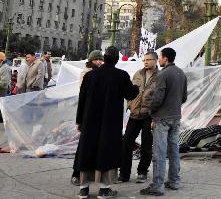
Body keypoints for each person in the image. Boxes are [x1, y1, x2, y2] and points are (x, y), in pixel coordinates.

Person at [75, 46, 139, 199]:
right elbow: (130, 93)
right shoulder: (121, 75)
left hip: (90, 121)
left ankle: (83, 189)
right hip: (110, 122)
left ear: (104, 57)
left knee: (88, 150)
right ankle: (104, 189)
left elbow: (82, 100)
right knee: (107, 151)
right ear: (117, 59)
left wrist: (79, 121)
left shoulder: (90, 76)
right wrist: (136, 86)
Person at [140, 47, 187, 196]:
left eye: (160, 57)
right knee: (174, 150)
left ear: (165, 58)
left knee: (159, 152)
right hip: (176, 117)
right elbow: (184, 97)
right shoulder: (181, 73)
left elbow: (157, 98)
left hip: (162, 119)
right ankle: (174, 181)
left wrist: (152, 112)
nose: (159, 60)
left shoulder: (162, 74)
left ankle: (157, 185)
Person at [119, 52, 158, 183]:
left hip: (149, 115)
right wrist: (130, 104)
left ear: (156, 60)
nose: (146, 62)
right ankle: (124, 174)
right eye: (144, 60)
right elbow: (130, 90)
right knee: (126, 143)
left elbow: (160, 97)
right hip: (134, 114)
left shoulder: (161, 76)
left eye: (148, 60)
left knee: (146, 145)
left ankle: (142, 172)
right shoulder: (137, 74)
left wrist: (155, 116)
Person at [71, 50, 104, 186]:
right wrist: (79, 121)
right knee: (83, 147)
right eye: (96, 59)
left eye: (100, 59)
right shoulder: (86, 74)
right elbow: (84, 97)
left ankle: (87, 175)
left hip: (96, 115)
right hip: (88, 115)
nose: (99, 62)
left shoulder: (99, 73)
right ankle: (77, 174)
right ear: (91, 60)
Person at [0, 52, 10, 121]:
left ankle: (1, 118)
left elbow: (4, 82)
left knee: (1, 104)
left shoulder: (5, 68)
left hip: (2, 89)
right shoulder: (1, 66)